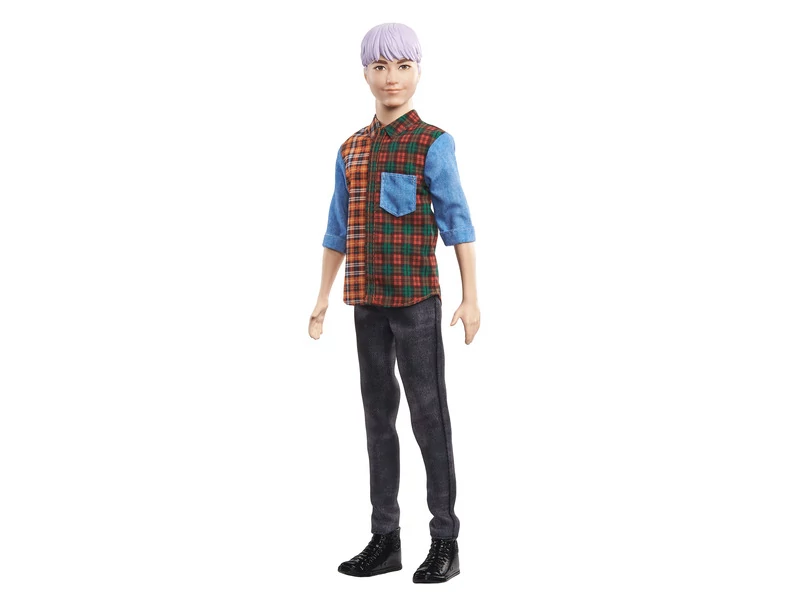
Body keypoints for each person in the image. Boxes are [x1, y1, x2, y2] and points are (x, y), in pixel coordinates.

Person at [308, 22, 479, 584]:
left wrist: (471, 297)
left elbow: (457, 221)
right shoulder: (351, 149)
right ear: (365, 73)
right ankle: (385, 538)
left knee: (430, 417)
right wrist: (322, 297)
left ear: (418, 71)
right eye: (380, 66)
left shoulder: (432, 142)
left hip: (416, 303)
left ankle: (445, 540)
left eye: (403, 66)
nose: (392, 78)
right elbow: (336, 229)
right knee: (377, 418)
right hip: (365, 302)